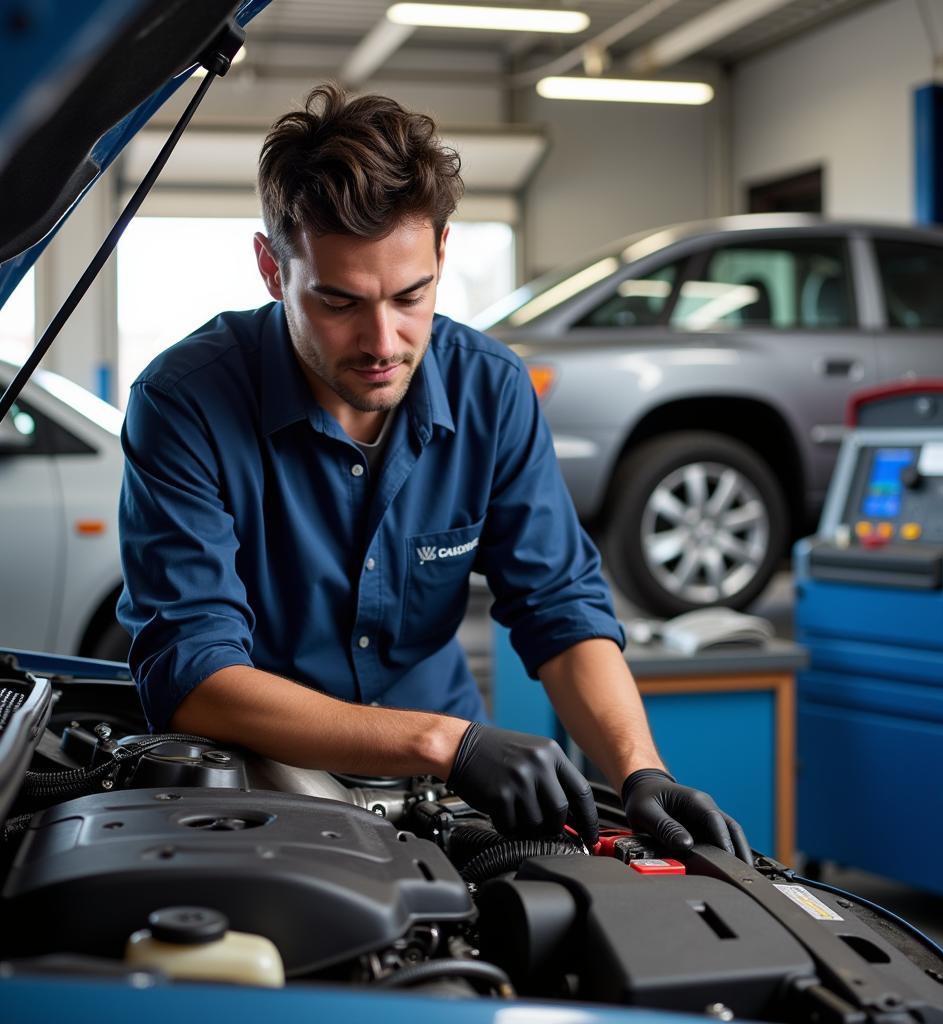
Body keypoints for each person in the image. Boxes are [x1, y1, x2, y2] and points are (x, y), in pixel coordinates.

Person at [117, 84, 751, 863]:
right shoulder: (183, 403)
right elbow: (194, 674)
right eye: (339, 301)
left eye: (410, 296)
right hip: (261, 794)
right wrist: (447, 741)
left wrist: (640, 768)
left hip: (443, 798)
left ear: (444, 252)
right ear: (272, 268)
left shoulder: (492, 389)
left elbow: (559, 606)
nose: (383, 340)